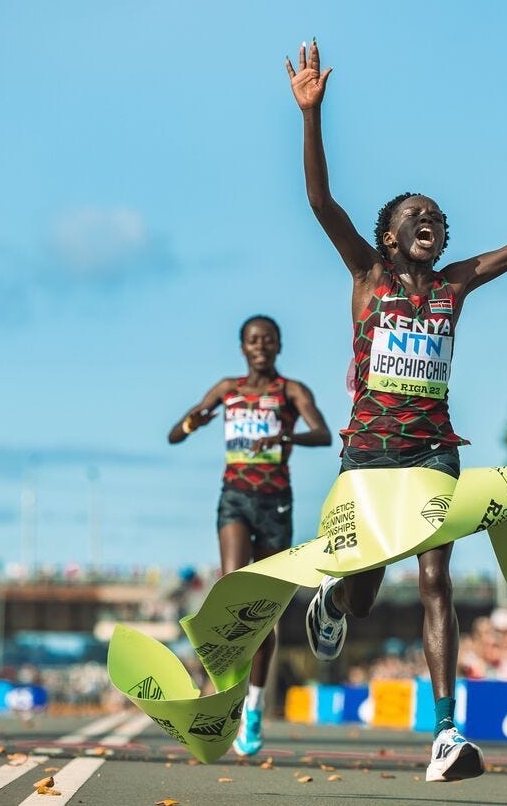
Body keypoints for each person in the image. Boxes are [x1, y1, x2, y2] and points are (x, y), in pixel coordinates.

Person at [285, 39, 507, 782]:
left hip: (436, 451)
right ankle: (336, 595)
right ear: (388, 236)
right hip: (368, 453)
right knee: (368, 587)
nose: (431, 219)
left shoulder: (455, 284)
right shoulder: (367, 274)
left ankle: (445, 734)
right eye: (416, 215)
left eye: (437, 214)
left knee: (435, 582)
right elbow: (318, 201)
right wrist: (312, 117)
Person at [168, 314, 331, 757]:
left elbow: (323, 433)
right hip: (235, 499)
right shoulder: (227, 390)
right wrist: (194, 421)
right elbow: (174, 435)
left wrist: (286, 433)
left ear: (278, 346)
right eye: (253, 340)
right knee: (233, 590)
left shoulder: (290, 391)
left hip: (275, 505)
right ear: (242, 347)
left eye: (269, 340)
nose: (261, 346)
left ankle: (254, 706)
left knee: (262, 613)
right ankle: (225, 695)